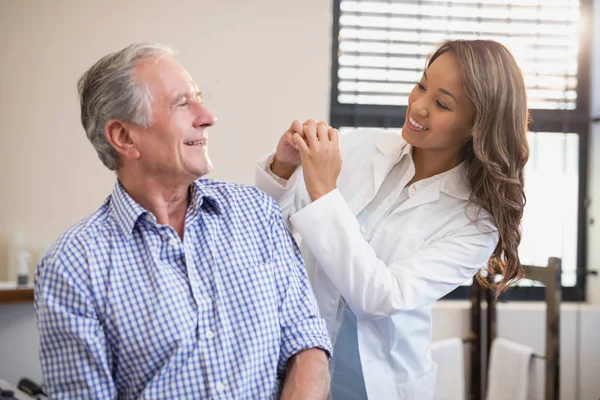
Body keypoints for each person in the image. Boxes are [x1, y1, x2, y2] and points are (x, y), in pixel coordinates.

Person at [34, 42, 332, 400]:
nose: (207, 116)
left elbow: (308, 348)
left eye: (199, 97)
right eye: (181, 103)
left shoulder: (259, 213)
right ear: (124, 137)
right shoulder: (73, 265)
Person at [255, 39, 529, 399]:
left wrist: (324, 192)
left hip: (374, 386)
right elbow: (268, 235)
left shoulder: (474, 225)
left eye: (442, 103)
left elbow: (380, 296)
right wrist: (282, 170)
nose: (418, 105)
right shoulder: (359, 146)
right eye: (422, 84)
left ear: (477, 126)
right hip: (297, 368)